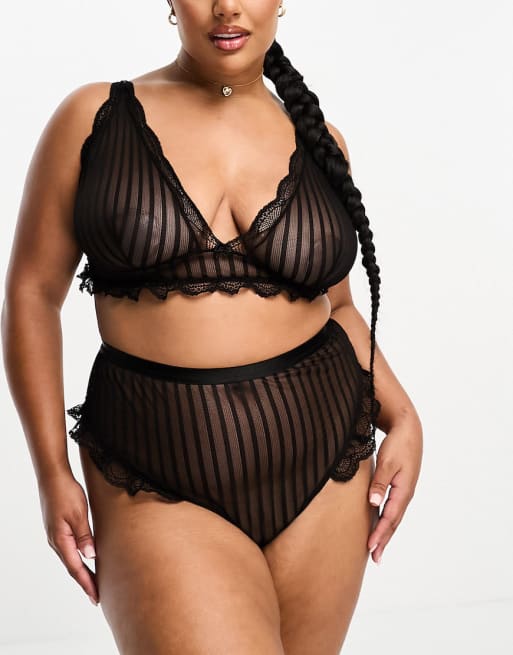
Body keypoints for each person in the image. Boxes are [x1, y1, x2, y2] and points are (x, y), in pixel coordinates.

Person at [2, 1, 423, 653]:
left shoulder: (320, 142)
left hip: (325, 467)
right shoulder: (95, 118)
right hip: (155, 473)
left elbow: (336, 308)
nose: (227, 6)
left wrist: (403, 415)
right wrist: (51, 469)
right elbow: (31, 293)